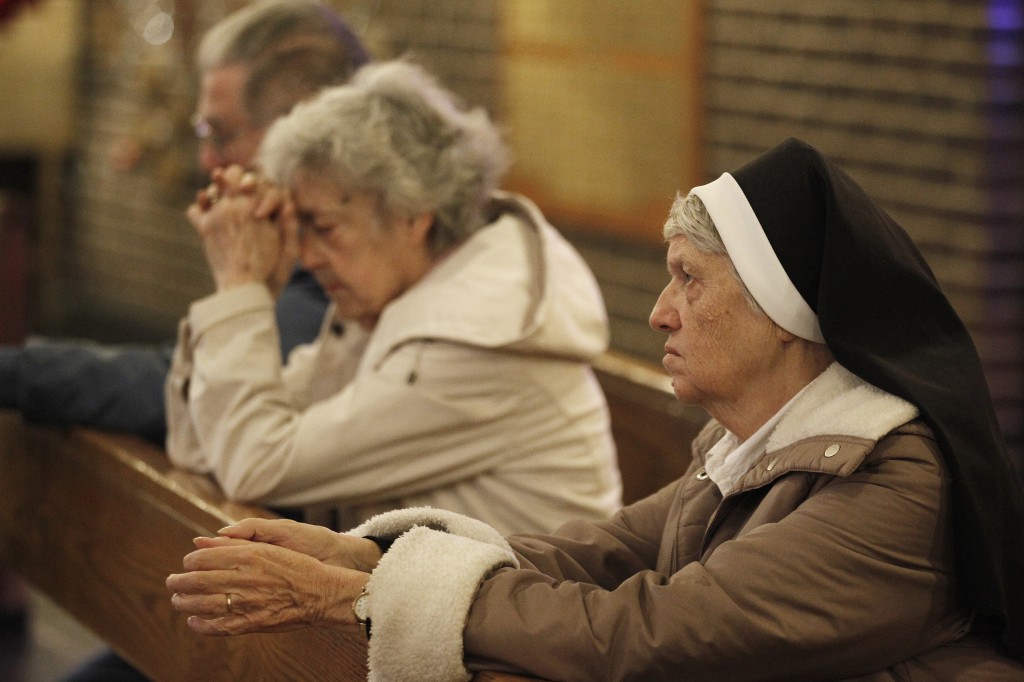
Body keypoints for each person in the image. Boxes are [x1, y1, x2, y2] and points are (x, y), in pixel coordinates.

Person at [167, 138, 1024, 681]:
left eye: (689, 278)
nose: (660, 311)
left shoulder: (893, 482)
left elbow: (655, 636)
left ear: (780, 307)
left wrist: (356, 599)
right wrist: (366, 557)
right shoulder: (752, 441)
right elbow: (609, 554)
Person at [165, 58, 622, 536]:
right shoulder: (398, 299)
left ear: (412, 215)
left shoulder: (472, 336)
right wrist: (252, 286)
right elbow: (204, 449)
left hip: (528, 606)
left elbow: (254, 464)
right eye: (296, 229)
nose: (304, 255)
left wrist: (241, 285)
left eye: (322, 228)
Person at [0, 0, 369, 445]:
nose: (206, 160)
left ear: (298, 129)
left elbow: (200, 402)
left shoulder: (347, 258)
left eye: (221, 134)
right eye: (201, 134)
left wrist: (14, 373)